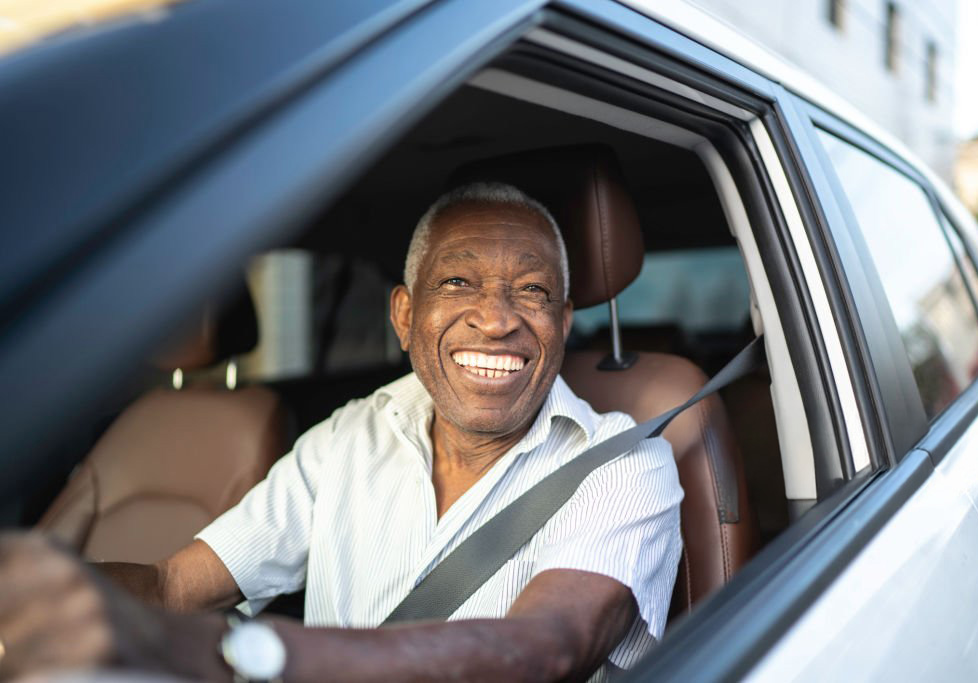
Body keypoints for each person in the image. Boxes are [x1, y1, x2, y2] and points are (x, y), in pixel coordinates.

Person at [0, 182, 683, 682]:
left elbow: (546, 648)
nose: (497, 318)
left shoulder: (622, 464)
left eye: (531, 290)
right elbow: (176, 585)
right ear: (404, 315)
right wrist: (36, 604)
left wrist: (238, 654)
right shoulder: (351, 433)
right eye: (457, 281)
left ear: (563, 322)